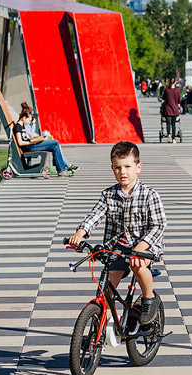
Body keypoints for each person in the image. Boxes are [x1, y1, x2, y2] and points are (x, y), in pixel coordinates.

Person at [67, 141, 166, 325]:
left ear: (138, 167)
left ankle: (148, 299)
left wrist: (140, 247)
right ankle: (103, 322)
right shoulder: (109, 195)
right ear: (112, 168)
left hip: (144, 246)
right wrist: (80, 234)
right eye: (118, 168)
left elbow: (158, 225)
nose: (123, 172)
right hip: (117, 248)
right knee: (106, 288)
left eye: (128, 166)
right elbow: (94, 215)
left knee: (138, 265)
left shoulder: (149, 195)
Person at [13, 103, 78, 173]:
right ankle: (62, 168)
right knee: (55, 142)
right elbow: (20, 142)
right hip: (30, 147)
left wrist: (37, 139)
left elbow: (27, 137)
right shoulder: (18, 127)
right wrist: (31, 142)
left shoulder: (22, 126)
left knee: (54, 147)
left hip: (32, 144)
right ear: (24, 117)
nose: (29, 123)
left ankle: (61, 169)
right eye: (29, 120)